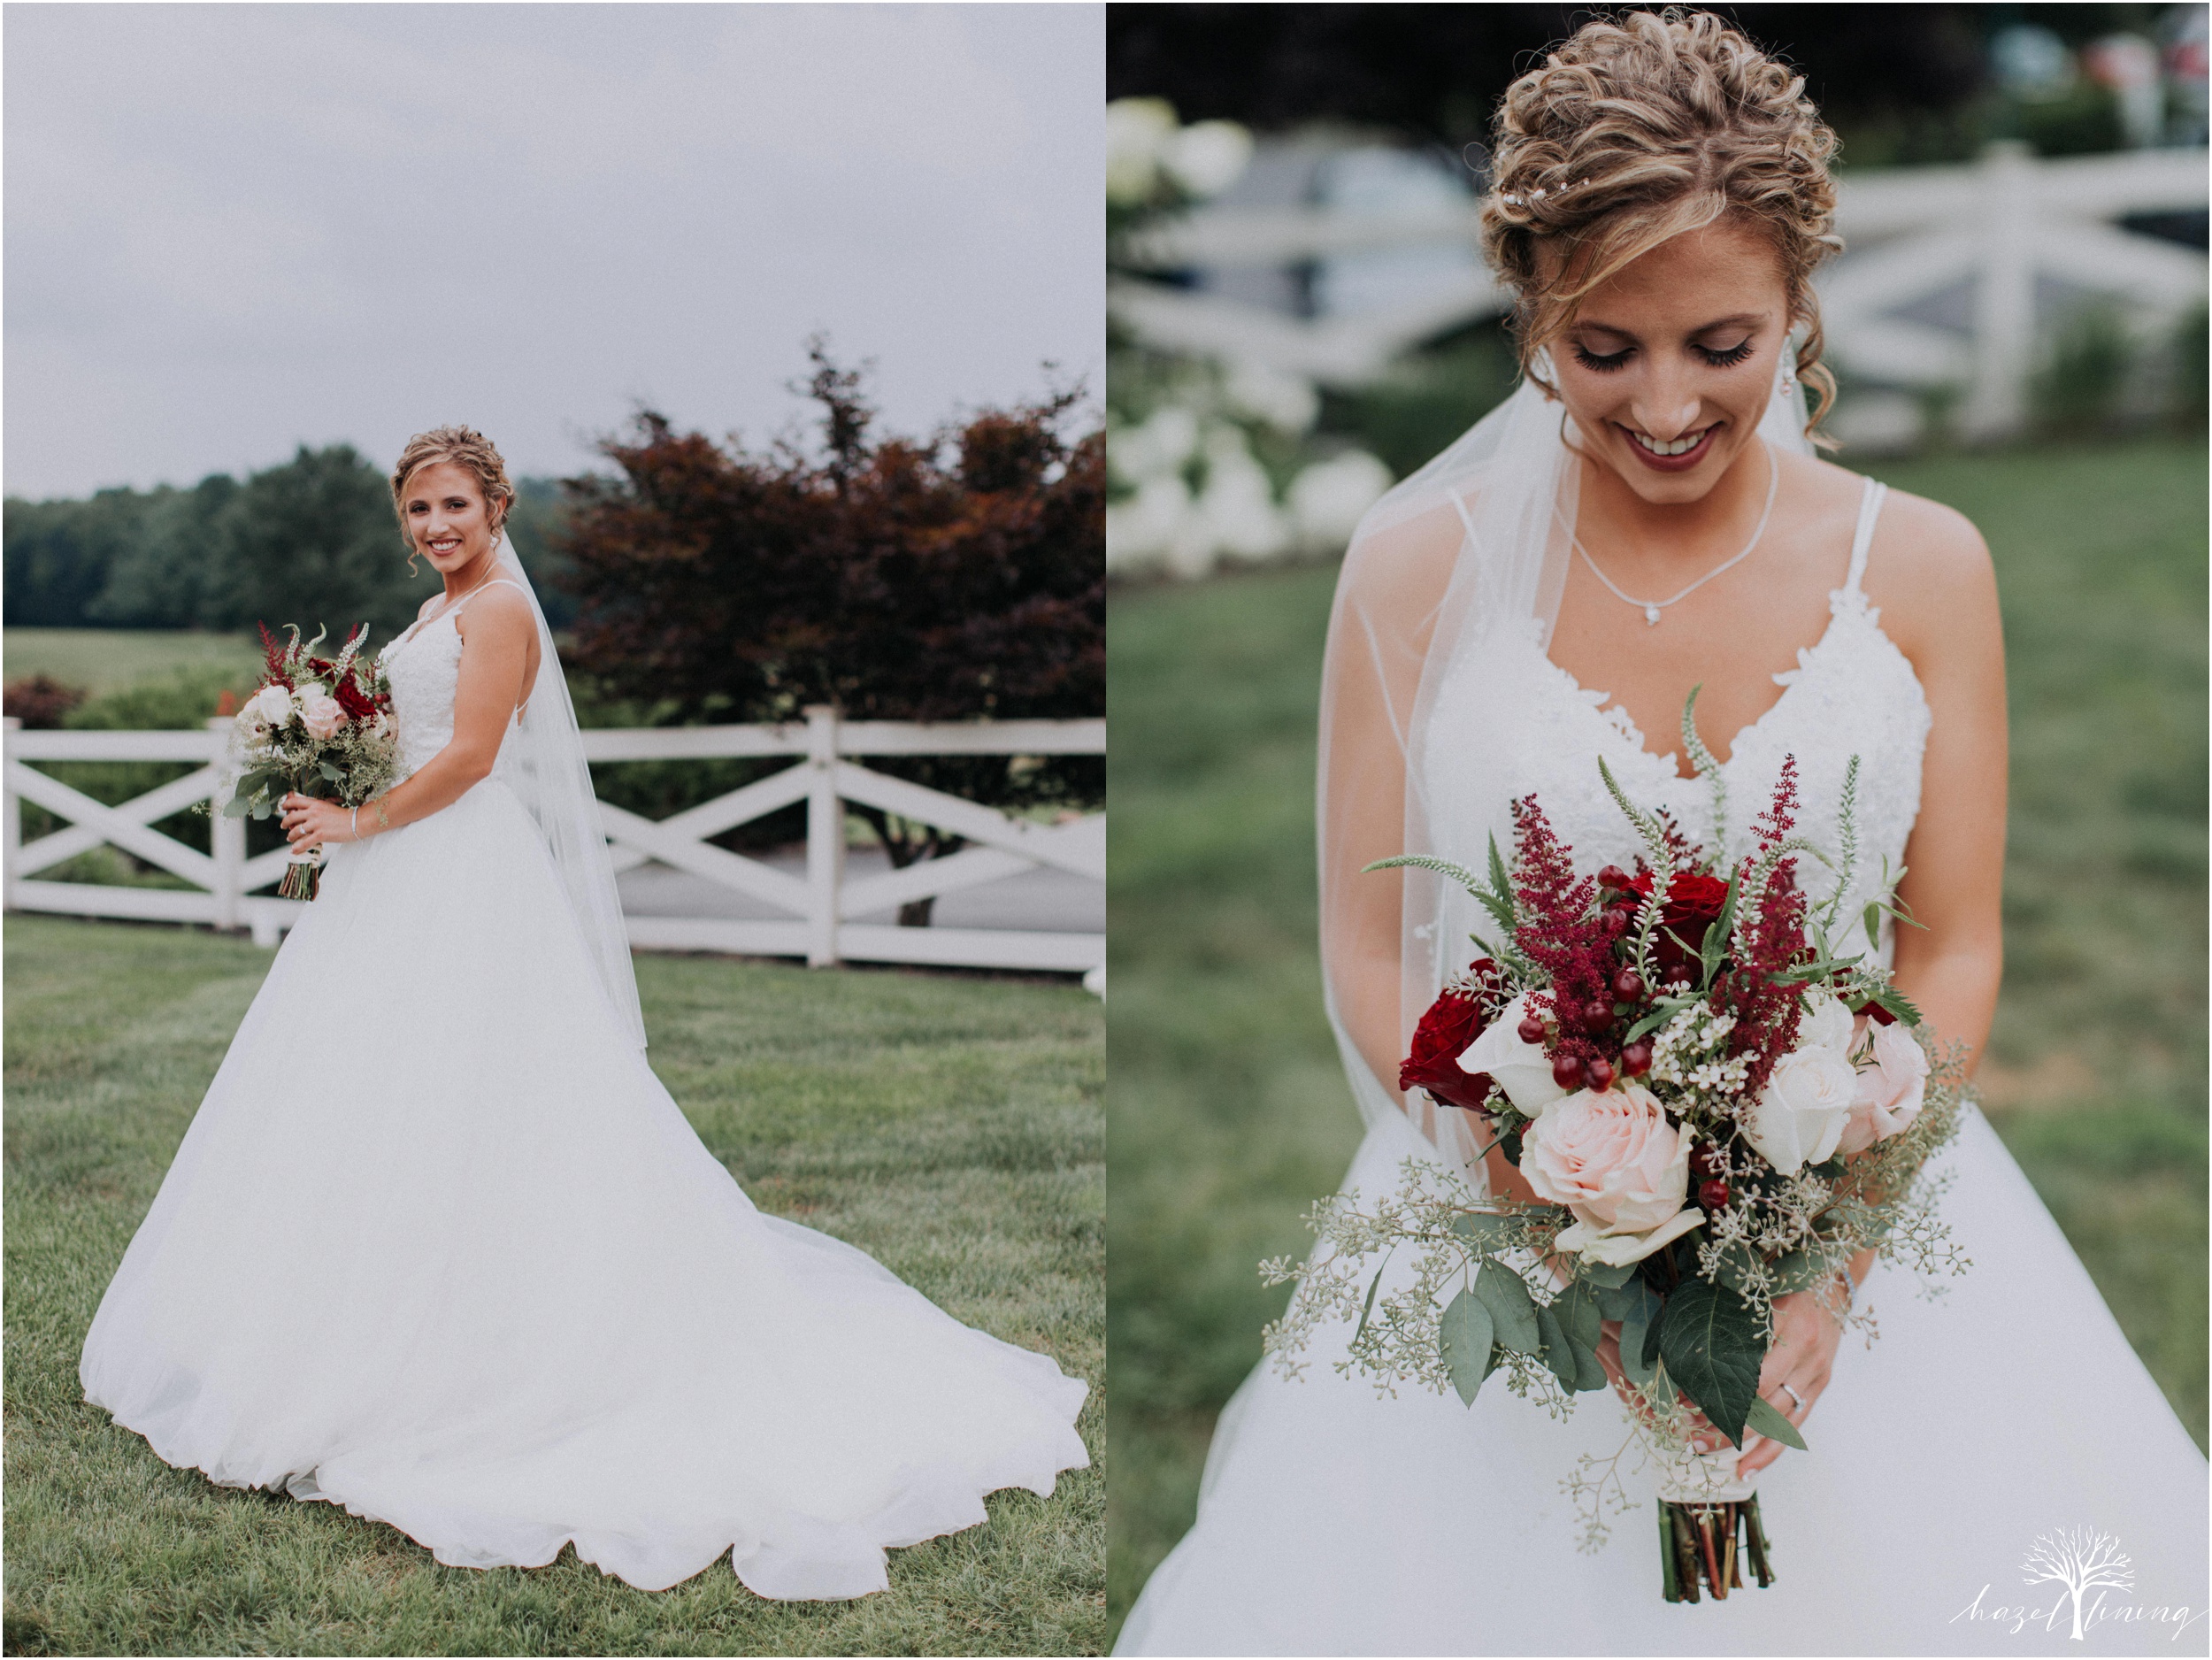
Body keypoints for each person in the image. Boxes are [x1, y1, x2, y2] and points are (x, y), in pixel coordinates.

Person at [1117, 15, 2207, 1655]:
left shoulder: (1923, 567)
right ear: (1531, 307)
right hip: (1508, 1216)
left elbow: (1951, 940)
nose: (1672, 404)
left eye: (1722, 340)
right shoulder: (1413, 571)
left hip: (1861, 1210)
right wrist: (1543, 1198)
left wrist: (1830, 1262)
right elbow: (1362, 939)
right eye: (1603, 348)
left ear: (1801, 304)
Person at [79, 426, 1087, 1599]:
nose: (436, 528)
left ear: (495, 506)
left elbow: (471, 757)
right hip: (403, 873)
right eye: (417, 513)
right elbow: (408, 739)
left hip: (456, 869)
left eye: (454, 506)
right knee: (372, 1092)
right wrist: (332, 758)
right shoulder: (429, 618)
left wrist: (358, 819)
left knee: (478, 1091)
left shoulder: (498, 610)